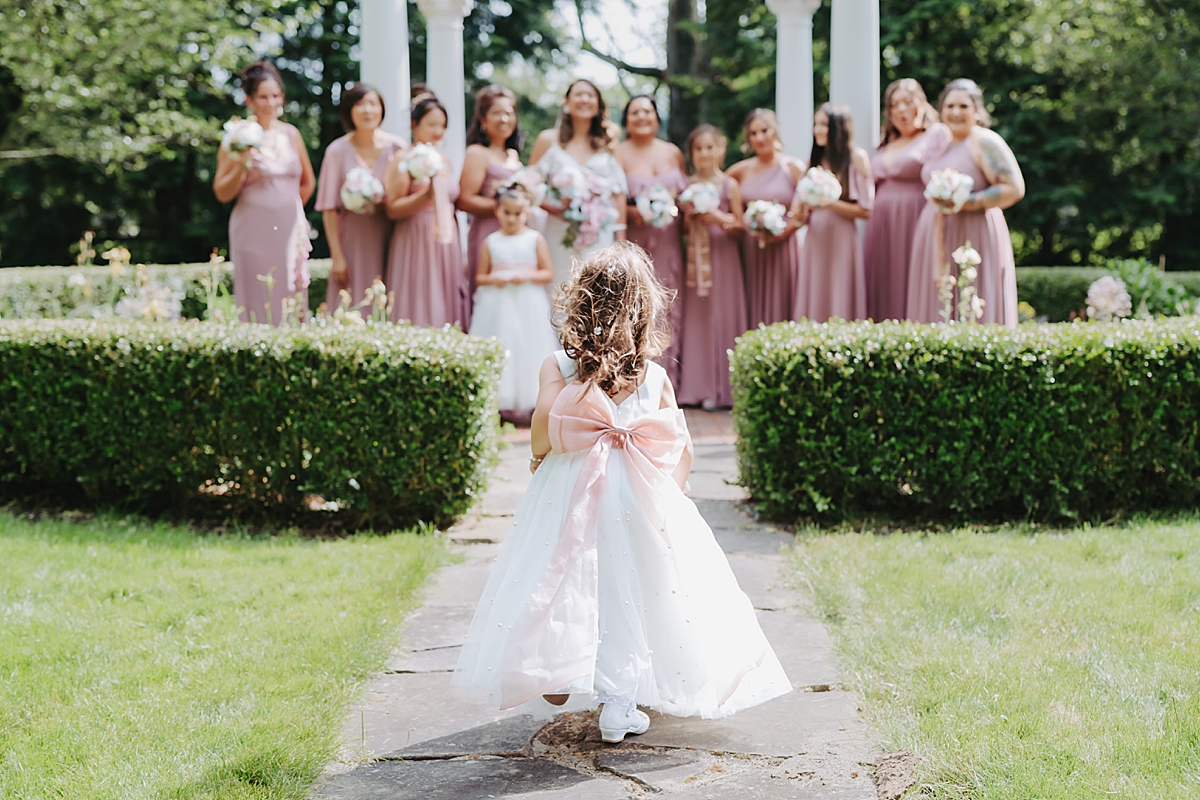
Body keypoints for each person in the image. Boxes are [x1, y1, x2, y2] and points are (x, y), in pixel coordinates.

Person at [453, 242, 791, 743]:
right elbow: (682, 449)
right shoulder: (653, 376)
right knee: (636, 588)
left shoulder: (555, 366)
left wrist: (538, 459)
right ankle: (620, 703)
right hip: (636, 492)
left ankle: (558, 667)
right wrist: (670, 499)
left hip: (572, 488)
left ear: (579, 303)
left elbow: (544, 427)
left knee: (563, 575)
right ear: (644, 311)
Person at [906, 79, 1025, 325]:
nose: (956, 112)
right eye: (950, 106)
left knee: (972, 296)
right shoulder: (940, 144)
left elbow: (1014, 189)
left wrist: (967, 201)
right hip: (935, 234)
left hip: (973, 234)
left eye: (963, 106)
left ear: (977, 110)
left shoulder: (984, 141)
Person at [213, 61, 315, 325]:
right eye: (263, 96)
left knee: (291, 291)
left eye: (275, 95)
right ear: (249, 99)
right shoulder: (237, 137)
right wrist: (241, 164)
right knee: (259, 295)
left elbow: (307, 182)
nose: (271, 102)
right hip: (252, 230)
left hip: (290, 228)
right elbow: (222, 192)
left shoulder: (292, 134)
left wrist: (288, 209)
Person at [468, 183, 558, 421]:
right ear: (497, 211)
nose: (512, 218)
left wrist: (526, 276)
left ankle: (530, 402)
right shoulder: (491, 241)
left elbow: (547, 273)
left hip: (527, 302)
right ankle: (498, 401)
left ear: (527, 213)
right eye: (507, 212)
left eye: (517, 213)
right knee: (502, 341)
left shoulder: (535, 239)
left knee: (528, 345)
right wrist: (493, 280)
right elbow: (479, 276)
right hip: (497, 304)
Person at [616, 95, 689, 386]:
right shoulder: (617, 153)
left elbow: (683, 197)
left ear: (657, 118)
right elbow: (612, 197)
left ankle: (670, 377)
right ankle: (636, 376)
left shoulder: (672, 152)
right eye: (635, 113)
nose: (642, 117)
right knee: (636, 301)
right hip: (636, 237)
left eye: (647, 112)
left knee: (671, 301)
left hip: (669, 239)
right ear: (627, 120)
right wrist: (631, 210)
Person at [315, 83, 406, 314]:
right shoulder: (337, 151)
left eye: (372, 104)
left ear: (382, 109)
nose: (367, 110)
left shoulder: (397, 147)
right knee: (354, 301)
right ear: (348, 111)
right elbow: (328, 207)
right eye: (359, 104)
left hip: (395, 234)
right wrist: (337, 256)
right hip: (354, 238)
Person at [864, 79, 949, 321]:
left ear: (922, 104)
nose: (901, 110)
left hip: (916, 214)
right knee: (884, 278)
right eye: (894, 105)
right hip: (880, 222)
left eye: (907, 102)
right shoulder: (885, 143)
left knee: (910, 275)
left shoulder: (937, 134)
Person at [528, 80, 628, 287]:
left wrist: (620, 243)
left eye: (590, 95)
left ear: (598, 104)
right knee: (559, 287)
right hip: (559, 230)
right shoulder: (548, 139)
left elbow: (618, 195)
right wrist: (556, 208)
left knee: (596, 291)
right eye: (579, 94)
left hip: (598, 233)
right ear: (567, 102)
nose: (585, 99)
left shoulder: (608, 143)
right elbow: (529, 186)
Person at [675, 124, 748, 410]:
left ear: (720, 149)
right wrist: (690, 216)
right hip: (695, 257)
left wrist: (717, 218)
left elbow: (740, 226)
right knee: (699, 318)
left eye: (710, 147)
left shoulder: (731, 185)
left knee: (726, 313)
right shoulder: (687, 186)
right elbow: (680, 229)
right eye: (698, 148)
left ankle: (729, 388)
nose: (704, 153)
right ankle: (699, 387)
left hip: (724, 257)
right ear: (692, 153)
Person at [384, 87, 465, 327]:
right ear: (414, 124)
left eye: (442, 125)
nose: (438, 131)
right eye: (432, 124)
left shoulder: (446, 160)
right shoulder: (403, 159)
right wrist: (426, 196)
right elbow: (393, 208)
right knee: (419, 296)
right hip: (415, 238)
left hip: (447, 240)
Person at [794, 104, 873, 323]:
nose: (817, 130)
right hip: (816, 236)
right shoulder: (814, 162)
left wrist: (828, 201)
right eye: (816, 124)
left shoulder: (856, 157)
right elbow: (799, 207)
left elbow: (865, 210)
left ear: (838, 128)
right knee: (816, 285)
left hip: (841, 235)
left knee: (840, 286)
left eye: (824, 125)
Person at [727, 109, 806, 328]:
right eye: (753, 133)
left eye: (764, 130)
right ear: (748, 138)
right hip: (752, 249)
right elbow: (724, 199)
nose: (760, 138)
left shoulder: (793, 168)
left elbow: (804, 213)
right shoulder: (738, 172)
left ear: (775, 131)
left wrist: (783, 233)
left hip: (784, 248)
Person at [459, 85, 526, 329]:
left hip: (517, 237)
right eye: (497, 112)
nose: (505, 118)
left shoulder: (513, 156)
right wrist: (504, 207)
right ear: (483, 120)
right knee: (489, 297)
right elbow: (464, 199)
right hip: (488, 234)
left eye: (509, 112)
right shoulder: (477, 153)